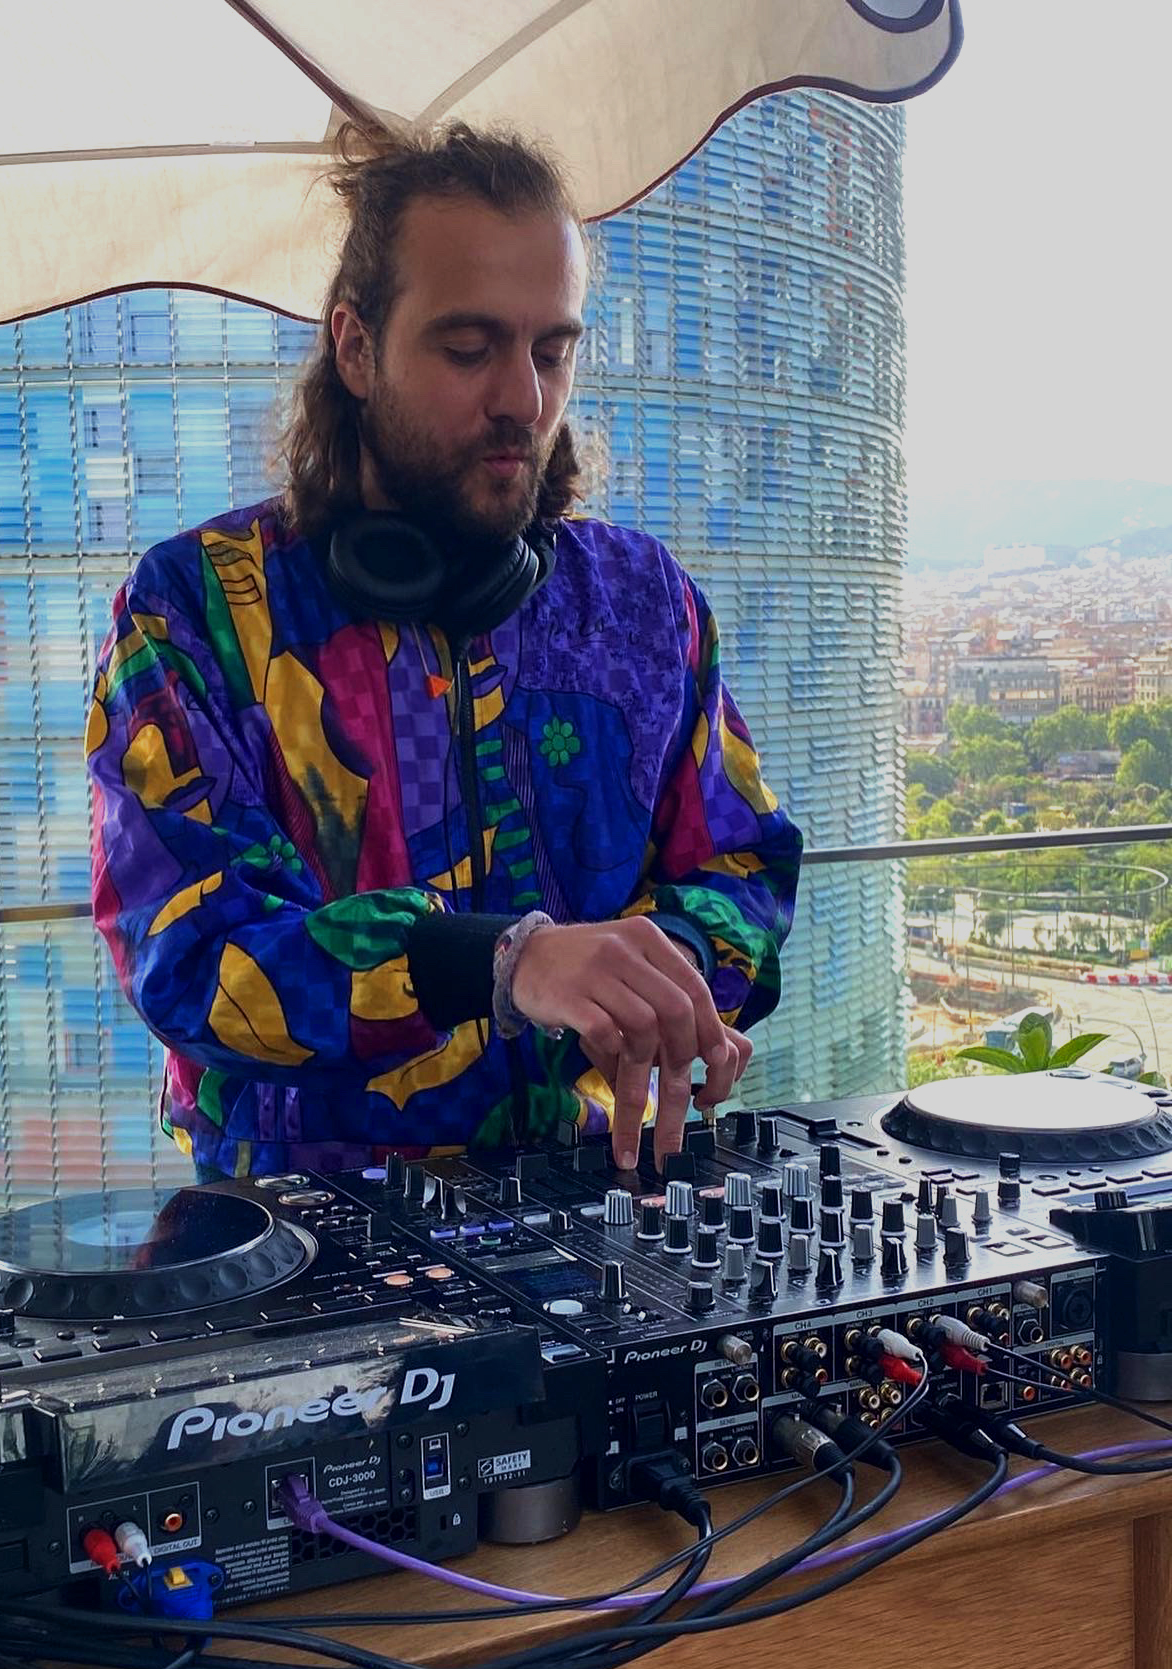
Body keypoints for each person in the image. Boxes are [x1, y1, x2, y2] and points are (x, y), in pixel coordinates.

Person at [85, 122, 802, 1184]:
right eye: (469, 349)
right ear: (356, 347)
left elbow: (744, 863)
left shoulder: (648, 603)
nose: (524, 400)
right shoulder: (192, 609)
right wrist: (498, 963)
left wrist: (663, 972)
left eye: (552, 351)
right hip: (303, 1225)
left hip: (603, 1194)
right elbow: (184, 954)